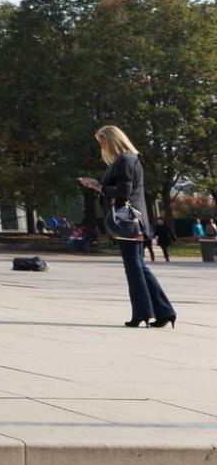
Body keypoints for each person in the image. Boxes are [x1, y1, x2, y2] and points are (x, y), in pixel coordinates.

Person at [81, 124, 176, 329]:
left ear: (112, 140)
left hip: (127, 220)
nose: (102, 146)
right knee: (139, 266)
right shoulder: (131, 159)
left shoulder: (124, 160)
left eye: (103, 141)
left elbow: (123, 191)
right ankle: (164, 311)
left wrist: (97, 186)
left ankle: (142, 313)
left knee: (133, 267)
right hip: (135, 219)